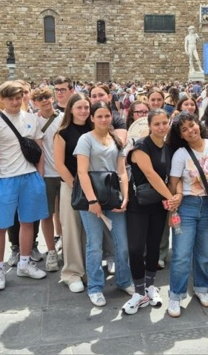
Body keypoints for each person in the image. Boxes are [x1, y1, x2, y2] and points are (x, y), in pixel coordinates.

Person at [166, 111, 208, 318]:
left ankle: (202, 288)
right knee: (181, 254)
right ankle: (176, 295)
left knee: (203, 253)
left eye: (191, 125)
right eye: (184, 129)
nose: (190, 130)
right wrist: (173, 210)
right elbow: (173, 184)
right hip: (187, 206)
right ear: (181, 136)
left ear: (198, 124)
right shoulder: (181, 154)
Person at [0, 81, 49, 290]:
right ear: (2, 100)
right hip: (5, 179)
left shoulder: (32, 119)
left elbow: (39, 150)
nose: (15, 102)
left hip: (29, 177)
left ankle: (24, 262)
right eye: (10, 98)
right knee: (1, 226)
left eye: (18, 97)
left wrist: (39, 176)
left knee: (28, 222)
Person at [122, 109, 181, 315]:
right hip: (139, 205)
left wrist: (176, 195)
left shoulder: (168, 148)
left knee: (154, 247)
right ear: (149, 126)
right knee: (137, 248)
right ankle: (138, 292)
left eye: (165, 123)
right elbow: (151, 174)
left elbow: (174, 176)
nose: (161, 127)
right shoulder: (141, 146)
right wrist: (170, 197)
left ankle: (149, 286)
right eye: (157, 124)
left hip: (157, 204)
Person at [74, 101, 133, 307]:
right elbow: (82, 171)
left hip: (113, 194)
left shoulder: (116, 139)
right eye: (99, 116)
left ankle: (124, 280)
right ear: (92, 118)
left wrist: (125, 197)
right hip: (92, 196)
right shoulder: (85, 139)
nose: (103, 119)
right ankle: (96, 287)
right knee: (95, 245)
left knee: (122, 243)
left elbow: (122, 170)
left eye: (107, 115)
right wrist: (92, 201)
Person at [53, 93, 91, 293]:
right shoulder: (63, 133)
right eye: (79, 107)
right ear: (71, 110)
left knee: (90, 230)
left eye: (86, 107)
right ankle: (72, 273)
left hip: (93, 185)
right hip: (71, 186)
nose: (84, 111)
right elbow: (59, 164)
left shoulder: (95, 128)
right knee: (72, 230)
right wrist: (77, 186)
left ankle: (88, 269)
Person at [31, 87, 62, 272]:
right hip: (46, 174)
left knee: (67, 215)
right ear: (35, 102)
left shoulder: (64, 117)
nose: (45, 101)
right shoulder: (33, 121)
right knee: (47, 214)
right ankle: (51, 250)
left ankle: (66, 246)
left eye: (47, 97)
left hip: (65, 173)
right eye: (40, 98)